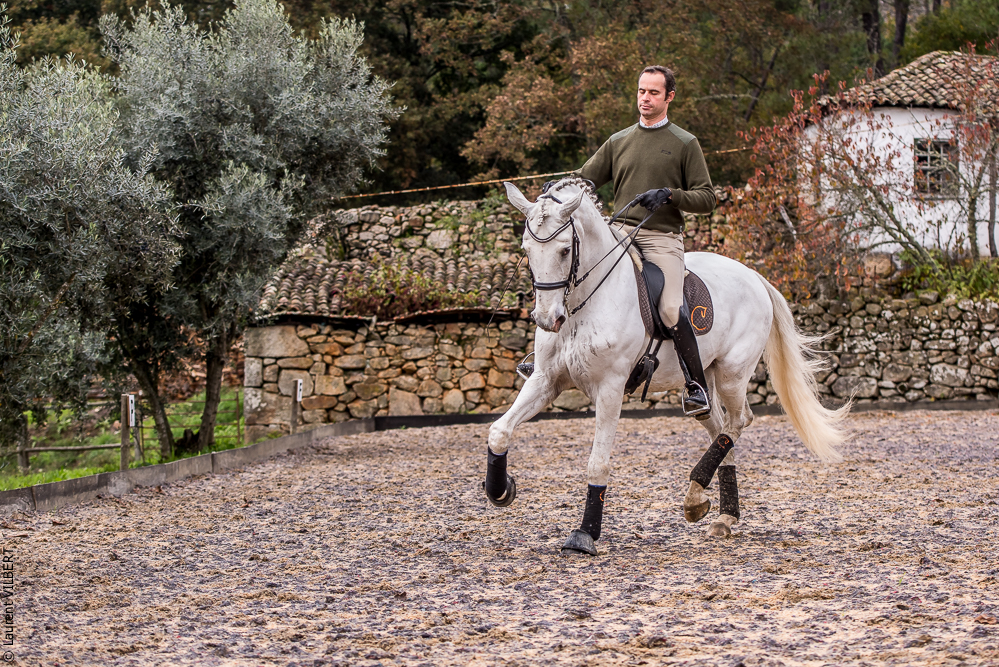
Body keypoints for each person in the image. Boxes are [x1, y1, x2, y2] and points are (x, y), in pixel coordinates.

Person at [574, 65, 717, 417]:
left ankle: (695, 386)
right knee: (573, 274)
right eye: (641, 91)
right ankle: (546, 361)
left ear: (669, 97)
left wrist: (671, 195)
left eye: (653, 92)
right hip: (618, 233)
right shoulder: (619, 140)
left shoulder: (685, 143)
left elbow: (708, 198)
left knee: (670, 307)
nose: (645, 99)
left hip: (661, 239)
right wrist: (560, 188)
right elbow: (584, 179)